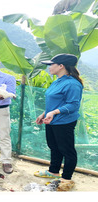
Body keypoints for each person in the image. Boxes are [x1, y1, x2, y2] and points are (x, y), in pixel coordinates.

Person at [34, 53, 84, 190]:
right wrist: (44, 113)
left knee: (67, 150)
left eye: (51, 64)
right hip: (52, 120)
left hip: (64, 122)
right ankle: (53, 171)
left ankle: (66, 178)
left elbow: (73, 105)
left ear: (61, 66)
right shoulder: (57, 80)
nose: (49, 67)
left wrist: (53, 112)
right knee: (54, 146)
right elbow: (55, 101)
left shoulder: (72, 84)